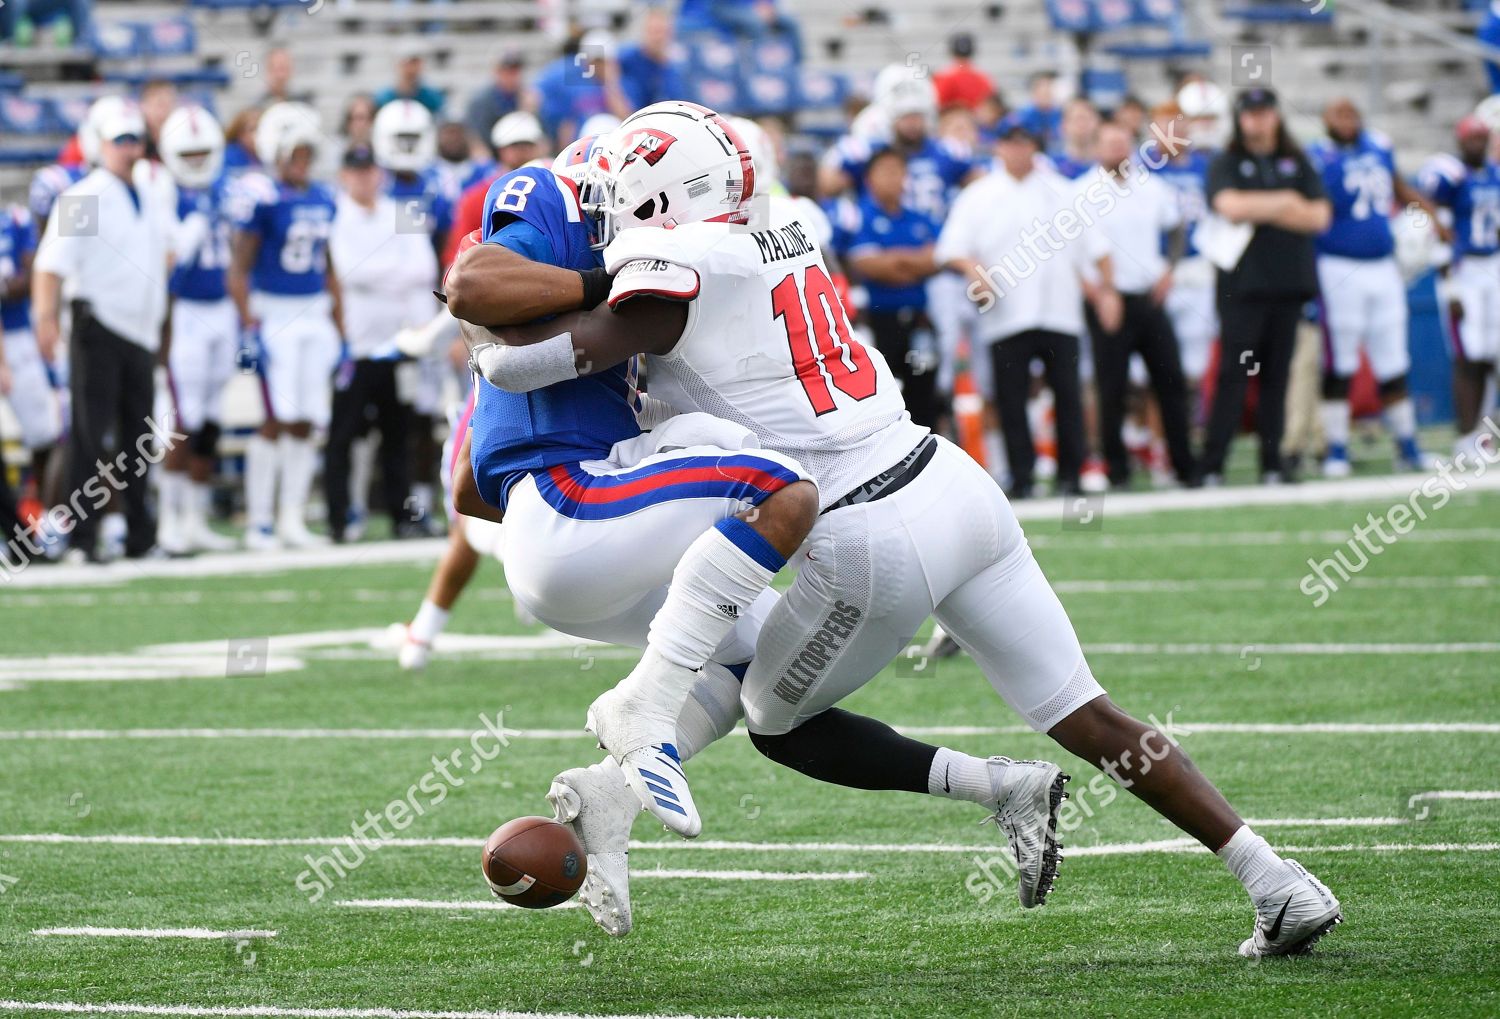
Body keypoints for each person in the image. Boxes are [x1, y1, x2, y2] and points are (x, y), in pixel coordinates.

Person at [471, 101, 1344, 959]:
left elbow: (540, 351)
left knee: (773, 719)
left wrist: (493, 351)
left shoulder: (673, 267)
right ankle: (1275, 880)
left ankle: (657, 734)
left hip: (869, 532)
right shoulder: (785, 225)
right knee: (1090, 712)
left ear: (658, 200)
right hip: (951, 480)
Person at [936, 117, 1120, 498]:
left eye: (1025, 143)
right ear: (999, 147)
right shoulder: (978, 195)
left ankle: (1072, 472)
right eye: (1011, 143)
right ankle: (1023, 474)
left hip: (1060, 309)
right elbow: (951, 249)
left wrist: (1107, 292)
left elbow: (1097, 248)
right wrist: (975, 270)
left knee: (1067, 393)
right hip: (1007, 314)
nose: (1018, 150)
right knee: (1011, 398)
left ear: (1035, 147)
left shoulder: (1063, 191)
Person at [32, 100, 172, 562]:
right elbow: (51, 263)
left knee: (139, 439)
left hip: (141, 330)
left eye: (136, 139)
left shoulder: (153, 187)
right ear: (99, 144)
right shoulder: (85, 196)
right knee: (90, 437)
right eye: (120, 140)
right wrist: (46, 318)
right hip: (98, 325)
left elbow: (164, 251)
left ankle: (140, 535)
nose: (130, 149)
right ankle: (82, 538)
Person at [1198, 88, 1330, 486]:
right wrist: (1287, 203)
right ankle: (1212, 465)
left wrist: (1264, 207)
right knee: (1233, 376)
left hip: (1288, 286)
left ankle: (1272, 462)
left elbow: (1319, 217)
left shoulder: (1297, 161)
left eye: (1264, 113)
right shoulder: (1227, 161)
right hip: (1242, 289)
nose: (1257, 121)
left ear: (1275, 116)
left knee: (1277, 378)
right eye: (1250, 114)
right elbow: (1229, 207)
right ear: (1239, 119)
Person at [228, 102, 342, 549]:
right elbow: (239, 268)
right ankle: (259, 521)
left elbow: (330, 267)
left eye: (307, 153)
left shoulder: (322, 196)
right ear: (275, 151)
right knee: (276, 418)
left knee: (307, 420)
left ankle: (291, 517)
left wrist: (340, 324)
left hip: (313, 311)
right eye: (295, 152)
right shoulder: (262, 196)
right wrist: (248, 325)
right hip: (274, 312)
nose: (303, 161)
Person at [1309, 98, 1439, 477]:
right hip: (1337, 265)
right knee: (1340, 361)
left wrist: (1432, 215)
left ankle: (1407, 445)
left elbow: (1400, 188)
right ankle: (1336, 448)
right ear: (1324, 119)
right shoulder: (1316, 156)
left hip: (1383, 266)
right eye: (1339, 113)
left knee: (1394, 358)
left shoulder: (1379, 147)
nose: (1347, 119)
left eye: (1353, 113)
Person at [325, 144, 435, 543]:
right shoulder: (339, 214)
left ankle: (402, 515)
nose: (364, 178)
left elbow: (424, 269)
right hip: (358, 345)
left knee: (398, 435)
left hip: (398, 342)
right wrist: (396, 273)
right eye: (356, 171)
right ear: (345, 175)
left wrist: (383, 275)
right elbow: (352, 272)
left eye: (369, 170)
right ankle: (338, 518)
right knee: (344, 434)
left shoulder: (402, 210)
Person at [1084, 121, 1196, 488]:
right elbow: (1074, 254)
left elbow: (1177, 227)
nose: (1116, 149)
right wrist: (1100, 293)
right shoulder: (1081, 191)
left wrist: (1170, 269)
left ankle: (1184, 465)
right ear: (1096, 148)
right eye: (1109, 142)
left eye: (1122, 142)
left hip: (1148, 296)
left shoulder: (1152, 188)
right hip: (1108, 299)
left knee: (1170, 380)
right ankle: (1117, 469)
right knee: (1112, 387)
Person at [157, 106, 239, 555]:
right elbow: (164, 264)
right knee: (180, 419)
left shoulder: (225, 189)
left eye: (201, 153)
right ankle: (170, 519)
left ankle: (195, 516)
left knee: (209, 419)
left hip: (221, 308)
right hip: (186, 311)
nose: (194, 162)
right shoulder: (163, 193)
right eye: (185, 154)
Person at [843, 148, 943, 428]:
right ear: (870, 178)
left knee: (923, 387)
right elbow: (867, 265)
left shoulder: (919, 218)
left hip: (919, 320)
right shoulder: (859, 215)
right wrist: (913, 263)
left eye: (898, 170)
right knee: (883, 395)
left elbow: (938, 259)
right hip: (879, 321)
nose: (893, 177)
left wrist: (895, 261)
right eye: (885, 170)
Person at [1422, 116, 1500, 462]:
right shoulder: (1451, 176)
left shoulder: (1495, 175)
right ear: (1459, 139)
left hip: (1492, 266)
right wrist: (1450, 286)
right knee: (1468, 354)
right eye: (1471, 138)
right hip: (1463, 269)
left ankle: (1482, 436)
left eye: (1481, 137)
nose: (1476, 144)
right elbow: (1440, 230)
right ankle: (1465, 437)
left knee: (1490, 354)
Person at [1146, 99, 1217, 397]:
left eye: (1177, 123)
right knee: (1150, 360)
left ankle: (1190, 422)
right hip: (1157, 266)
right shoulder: (1142, 168)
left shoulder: (1207, 165)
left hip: (1198, 265)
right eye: (1164, 123)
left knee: (1195, 356)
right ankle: (1148, 432)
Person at [0, 203, 63, 508]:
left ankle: (41, 515)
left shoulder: (16, 218)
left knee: (45, 434)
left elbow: (30, 274)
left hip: (17, 336)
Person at [534, 30, 632, 150]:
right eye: (594, 61)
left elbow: (627, 120)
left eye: (602, 61)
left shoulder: (624, 84)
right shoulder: (573, 81)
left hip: (615, 144)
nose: (597, 66)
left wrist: (611, 84)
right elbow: (567, 125)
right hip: (582, 146)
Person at [617, 7, 686, 110]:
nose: (658, 37)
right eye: (654, 31)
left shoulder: (674, 69)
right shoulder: (626, 59)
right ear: (644, 32)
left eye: (662, 31)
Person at [463, 50, 526, 145]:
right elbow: (477, 139)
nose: (512, 77)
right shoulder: (481, 102)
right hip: (491, 153)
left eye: (515, 72)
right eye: (507, 72)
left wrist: (527, 111)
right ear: (497, 72)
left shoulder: (526, 98)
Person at [374, 41, 446, 114]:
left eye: (415, 63)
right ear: (398, 65)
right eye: (408, 64)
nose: (411, 69)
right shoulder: (384, 96)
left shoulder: (432, 96)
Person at [933, 31, 995, 112]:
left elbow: (937, 104)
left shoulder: (943, 77)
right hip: (976, 122)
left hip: (953, 121)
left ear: (952, 52)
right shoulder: (983, 78)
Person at [1050, 97, 1099, 180]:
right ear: (1063, 125)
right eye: (1076, 119)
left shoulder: (1109, 163)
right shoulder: (1050, 165)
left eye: (1086, 119)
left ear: (1097, 123)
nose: (1082, 124)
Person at [1016, 71, 1063, 151]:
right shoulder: (1023, 116)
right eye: (1043, 87)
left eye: (1049, 86)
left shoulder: (1061, 114)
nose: (1047, 90)